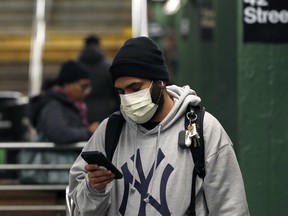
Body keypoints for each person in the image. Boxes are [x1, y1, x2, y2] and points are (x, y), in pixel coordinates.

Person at [69, 37, 250, 215]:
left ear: (160, 82)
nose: (128, 97)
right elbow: (82, 208)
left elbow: (230, 207)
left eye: (135, 87)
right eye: (121, 91)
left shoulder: (203, 129)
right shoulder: (111, 131)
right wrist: (94, 189)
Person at [18, 60, 99, 184]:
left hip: (63, 169)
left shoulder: (71, 104)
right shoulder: (53, 105)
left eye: (88, 87)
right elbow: (58, 132)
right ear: (67, 84)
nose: (86, 91)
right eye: (83, 86)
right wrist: (88, 132)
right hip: (56, 170)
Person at [78, 35, 120, 123]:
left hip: (80, 113)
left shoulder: (75, 66)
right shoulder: (109, 66)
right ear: (99, 46)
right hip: (105, 112)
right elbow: (117, 93)